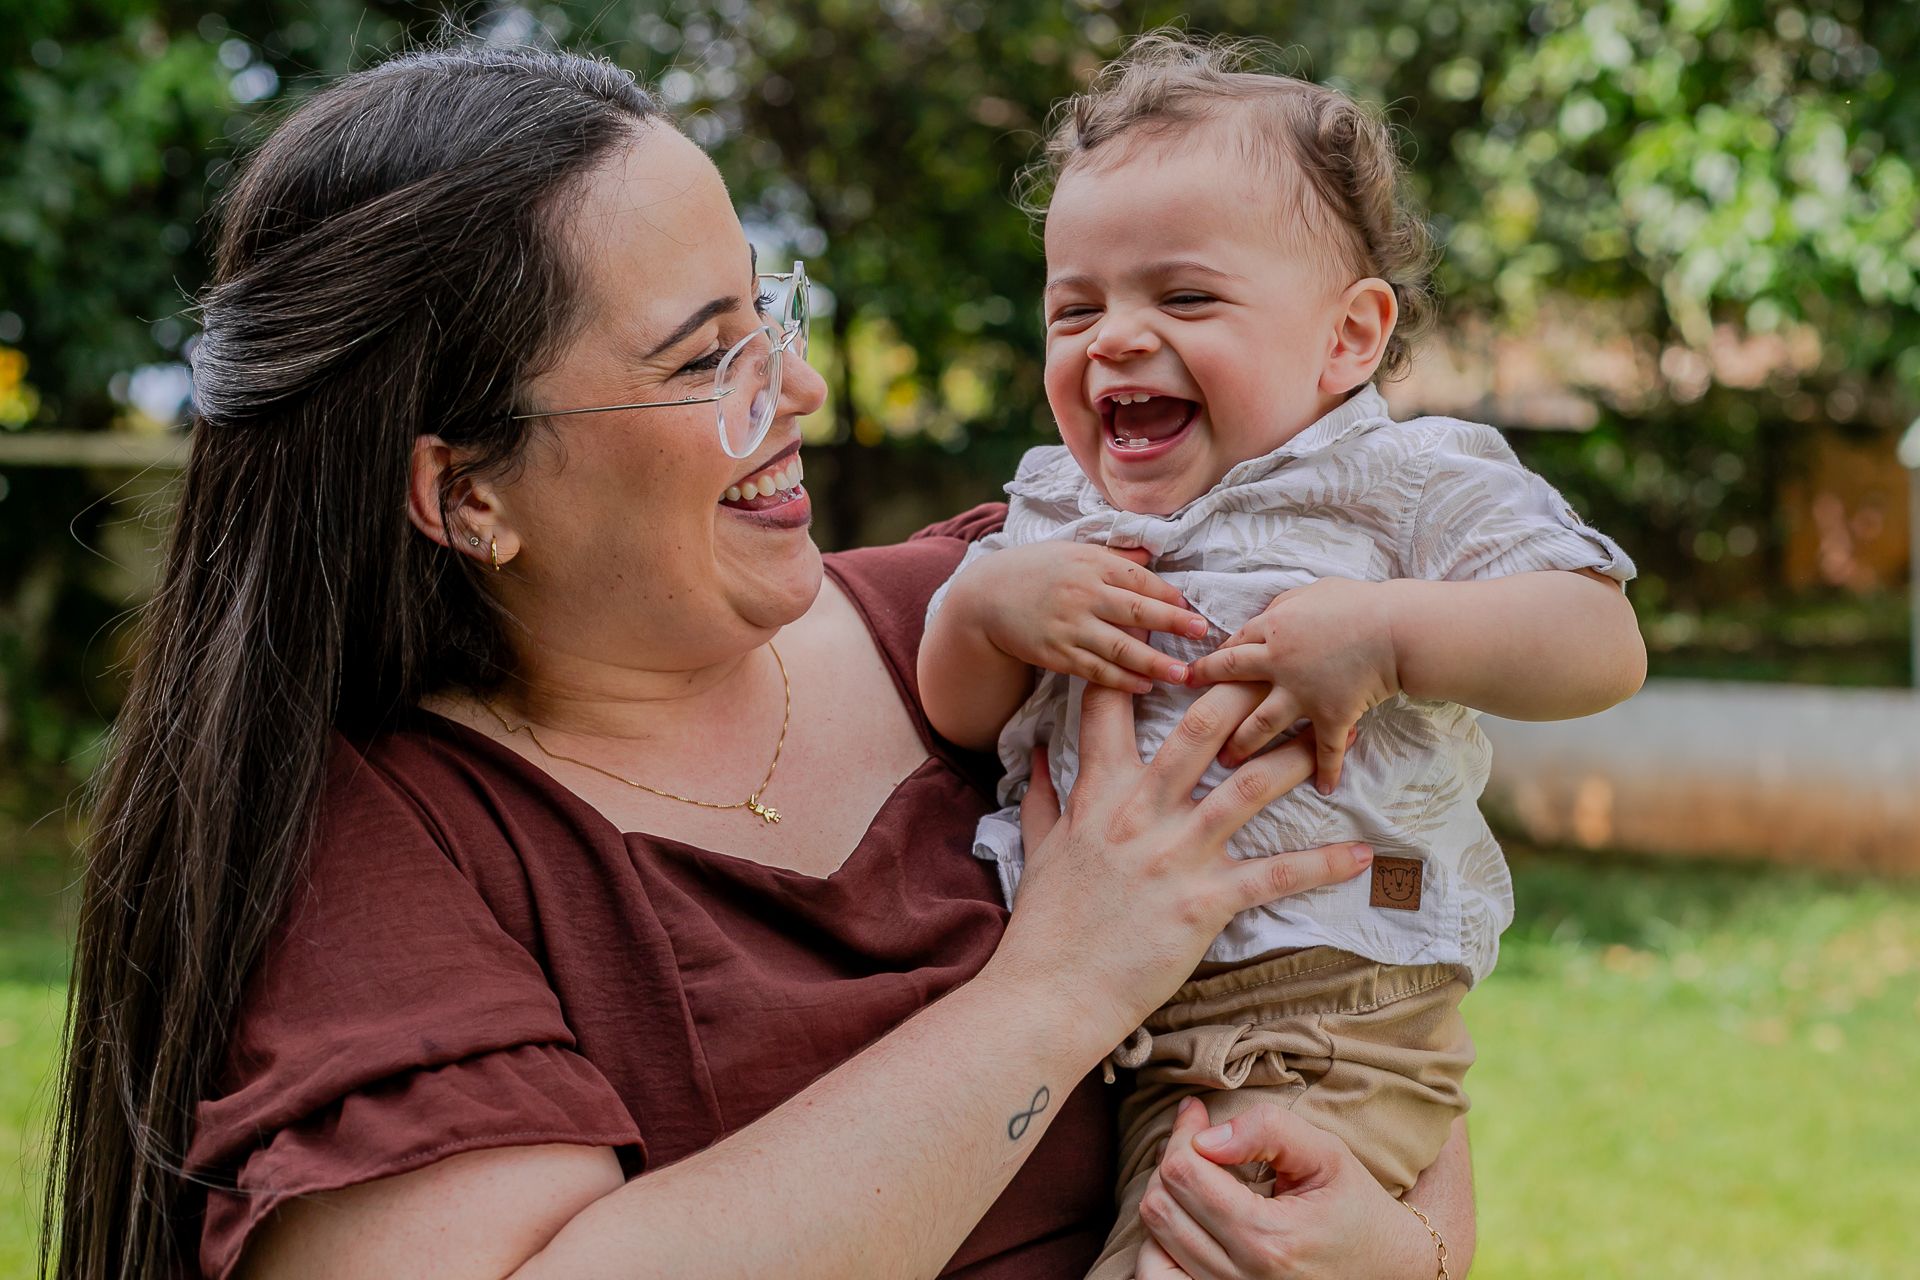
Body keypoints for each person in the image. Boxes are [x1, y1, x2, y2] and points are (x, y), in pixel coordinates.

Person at [45, 46, 1478, 1280]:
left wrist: (1403, 1251)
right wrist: (1059, 985)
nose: (800, 387)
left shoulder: (1030, 615)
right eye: (701, 359)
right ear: (467, 493)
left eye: (766, 314)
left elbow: (1367, 978)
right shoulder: (384, 851)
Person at [917, 34, 1647, 1280]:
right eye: (1075, 308)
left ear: (1348, 337)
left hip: (1331, 1006)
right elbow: (961, 713)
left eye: (1185, 298)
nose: (1114, 339)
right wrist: (984, 612)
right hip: (1120, 1017)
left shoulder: (1401, 480)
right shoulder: (1052, 509)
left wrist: (1390, 634)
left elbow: (1599, 639)